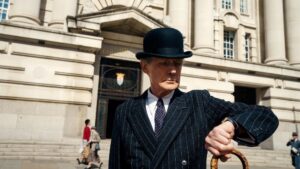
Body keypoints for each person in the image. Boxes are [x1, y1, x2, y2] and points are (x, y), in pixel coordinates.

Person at [108, 27, 279, 169]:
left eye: (177, 63)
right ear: (145, 67)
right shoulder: (125, 111)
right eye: (164, 63)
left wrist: (231, 126)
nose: (173, 70)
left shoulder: (198, 103)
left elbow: (265, 115)